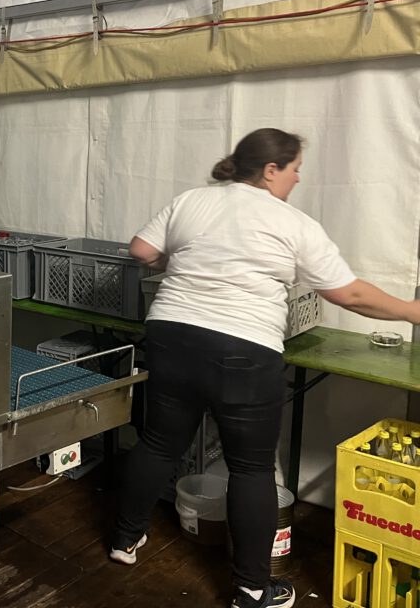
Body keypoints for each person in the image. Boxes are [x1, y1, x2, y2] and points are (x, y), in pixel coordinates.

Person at [109, 128, 420, 608]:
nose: (298, 178)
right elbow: (351, 294)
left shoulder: (191, 200)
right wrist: (412, 311)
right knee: (251, 468)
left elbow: (141, 251)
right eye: (295, 169)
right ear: (272, 170)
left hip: (172, 336)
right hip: (244, 350)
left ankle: (124, 540)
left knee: (158, 443)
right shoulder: (293, 223)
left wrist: (189, 260)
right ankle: (252, 589)